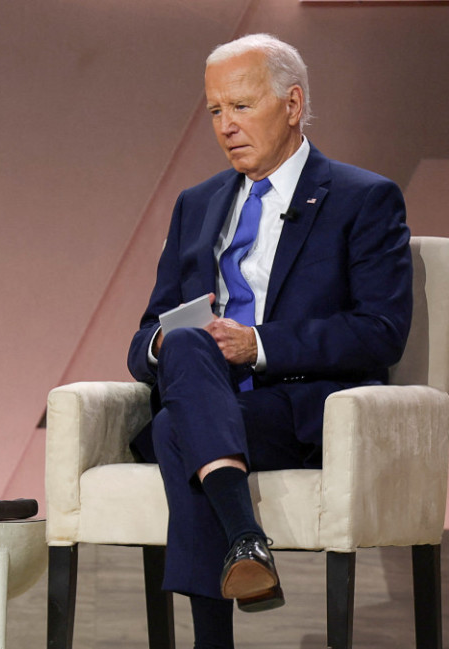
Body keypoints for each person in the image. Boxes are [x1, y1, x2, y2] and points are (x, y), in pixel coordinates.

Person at [126, 34, 411, 648]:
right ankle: (244, 541)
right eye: (215, 112)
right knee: (182, 347)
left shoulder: (363, 199)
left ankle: (215, 631)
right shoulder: (196, 205)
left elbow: (380, 332)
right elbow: (147, 331)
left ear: (291, 102)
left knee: (180, 430)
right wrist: (166, 346)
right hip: (209, 394)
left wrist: (255, 344)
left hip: (295, 410)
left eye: (242, 107)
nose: (226, 126)